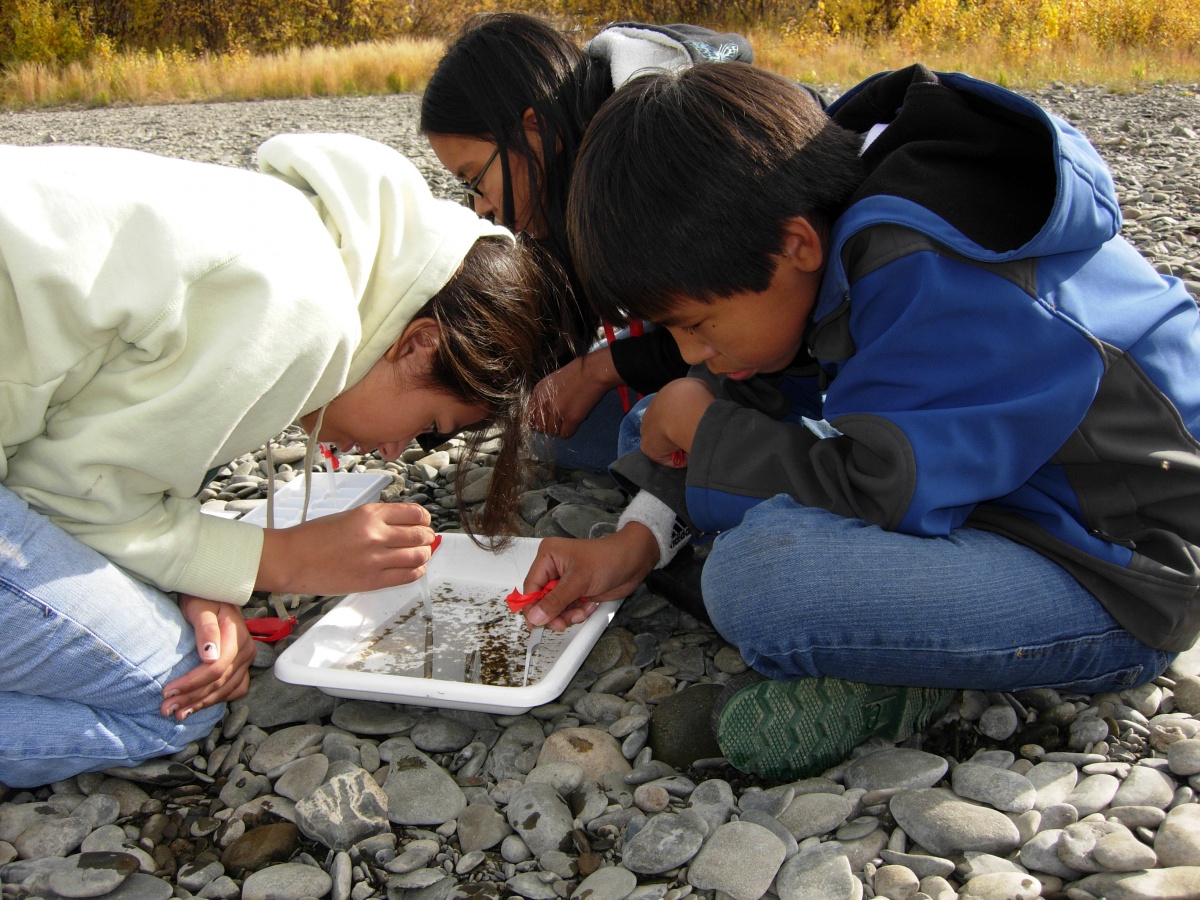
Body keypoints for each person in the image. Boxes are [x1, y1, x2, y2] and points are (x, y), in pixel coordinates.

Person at [518, 62, 1200, 781]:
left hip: (1120, 571)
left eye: (697, 324)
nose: (693, 351)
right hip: (996, 495)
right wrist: (639, 537)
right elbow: (752, 390)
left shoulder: (924, 270)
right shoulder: (825, 221)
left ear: (795, 246)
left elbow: (888, 491)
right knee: (663, 416)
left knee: (758, 579)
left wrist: (708, 432)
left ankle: (904, 677)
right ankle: (894, 642)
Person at [0, 132, 549, 787]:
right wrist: (278, 557)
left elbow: (91, 451)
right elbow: (66, 497)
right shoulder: (301, 311)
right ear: (418, 344)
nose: (397, 451)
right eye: (429, 425)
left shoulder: (303, 235)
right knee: (176, 696)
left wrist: (194, 576)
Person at [419, 12, 757, 472]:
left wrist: (601, 369)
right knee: (561, 433)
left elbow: (724, 327)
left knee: (601, 436)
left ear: (533, 127)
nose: (480, 207)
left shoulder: (642, 158)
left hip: (775, 350)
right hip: (715, 340)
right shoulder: (567, 179)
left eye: (474, 178)